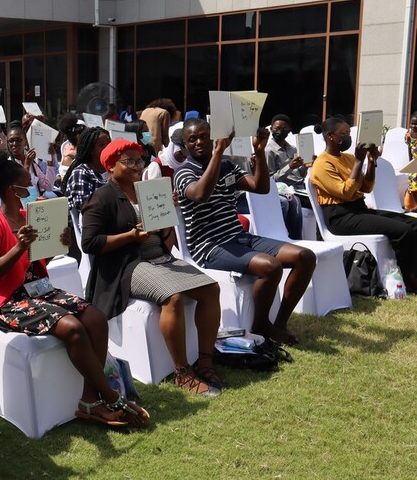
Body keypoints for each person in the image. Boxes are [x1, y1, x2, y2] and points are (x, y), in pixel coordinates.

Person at [0, 148, 149, 427]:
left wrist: (59, 243)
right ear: (13, 190)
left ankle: (89, 399)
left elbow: (39, 259)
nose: (32, 188)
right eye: (26, 186)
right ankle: (111, 395)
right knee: (73, 327)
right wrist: (20, 246)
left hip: (39, 289)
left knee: (95, 317)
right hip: (9, 300)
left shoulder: (30, 215)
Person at [82, 139, 222, 395]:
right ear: (111, 166)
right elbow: (90, 243)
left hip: (159, 257)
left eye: (139, 160)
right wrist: (131, 236)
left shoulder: (146, 190)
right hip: (127, 265)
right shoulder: (102, 197)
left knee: (211, 288)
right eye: (130, 161)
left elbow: (164, 238)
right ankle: (182, 372)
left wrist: (167, 214)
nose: (137, 165)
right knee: (172, 297)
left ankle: (205, 361)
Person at [174, 119, 316, 345]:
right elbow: (201, 194)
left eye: (204, 137)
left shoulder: (227, 166)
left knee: (305, 257)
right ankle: (261, 325)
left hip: (238, 236)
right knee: (271, 266)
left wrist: (259, 152)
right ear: (185, 144)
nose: (200, 142)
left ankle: (278, 324)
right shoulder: (183, 172)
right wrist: (219, 152)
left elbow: (260, 187)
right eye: (192, 139)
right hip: (209, 246)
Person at [311, 117, 417, 292]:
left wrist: (371, 162)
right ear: (330, 136)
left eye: (349, 133)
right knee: (402, 231)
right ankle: (409, 279)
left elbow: (366, 187)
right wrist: (359, 161)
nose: (348, 137)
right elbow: (344, 192)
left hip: (358, 209)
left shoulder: (347, 158)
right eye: (343, 134)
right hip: (340, 217)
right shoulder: (322, 163)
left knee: (412, 223)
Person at [264, 113, 307, 239]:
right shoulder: (269, 151)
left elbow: (300, 174)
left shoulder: (293, 149)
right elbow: (270, 179)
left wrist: (305, 166)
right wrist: (290, 167)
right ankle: (296, 239)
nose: (280, 131)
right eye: (277, 128)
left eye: (284, 128)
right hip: (285, 190)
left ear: (289, 130)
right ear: (271, 129)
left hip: (300, 186)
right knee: (295, 202)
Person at [61, 126, 111, 212]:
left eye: (109, 143)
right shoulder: (81, 173)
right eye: (101, 145)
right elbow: (84, 206)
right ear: (90, 150)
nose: (108, 148)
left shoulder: (113, 168)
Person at [6, 125, 57, 197]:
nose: (14, 144)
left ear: (25, 142)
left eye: (18, 140)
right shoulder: (7, 165)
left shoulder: (33, 164)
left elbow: (48, 187)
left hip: (35, 205)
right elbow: (17, 189)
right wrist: (26, 166)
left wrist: (49, 160)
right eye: (11, 141)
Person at [403, 112, 417, 210]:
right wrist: (409, 162)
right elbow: (409, 148)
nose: (413, 126)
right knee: (413, 179)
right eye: (412, 123)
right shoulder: (408, 134)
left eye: (416, 124)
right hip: (414, 164)